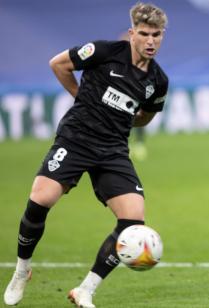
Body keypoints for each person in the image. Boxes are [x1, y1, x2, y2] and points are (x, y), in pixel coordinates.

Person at [3, 3, 168, 307]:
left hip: (113, 149)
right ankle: (21, 270)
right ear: (132, 33)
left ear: (162, 36)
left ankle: (86, 290)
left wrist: (125, 118)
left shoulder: (158, 80)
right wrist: (81, 97)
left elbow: (146, 115)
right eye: (144, 33)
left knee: (133, 221)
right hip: (77, 139)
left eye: (156, 35)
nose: (150, 41)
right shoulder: (104, 52)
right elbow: (58, 64)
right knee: (42, 199)